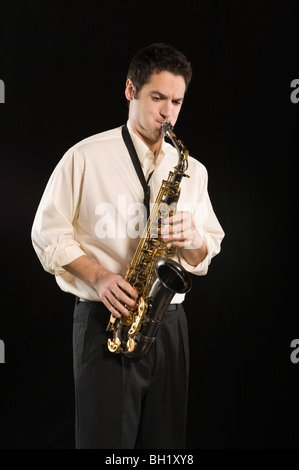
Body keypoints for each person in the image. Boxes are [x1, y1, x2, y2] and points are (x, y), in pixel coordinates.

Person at [31, 43, 224, 449]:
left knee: (166, 446)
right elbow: (47, 233)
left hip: (169, 326)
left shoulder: (192, 169)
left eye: (176, 101)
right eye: (157, 98)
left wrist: (189, 239)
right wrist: (99, 277)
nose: (167, 113)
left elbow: (206, 250)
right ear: (130, 90)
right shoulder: (84, 157)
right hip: (106, 318)